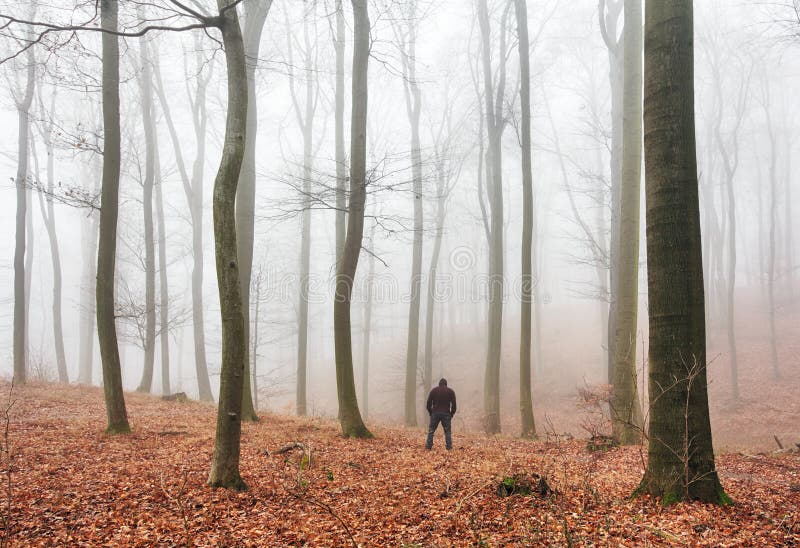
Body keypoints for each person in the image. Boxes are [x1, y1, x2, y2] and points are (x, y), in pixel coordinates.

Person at [425, 378, 456, 450]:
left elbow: (428, 403)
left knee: (431, 430)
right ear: (446, 384)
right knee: (447, 431)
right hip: (446, 413)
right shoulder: (450, 391)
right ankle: (449, 447)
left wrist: (431, 412)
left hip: (435, 413)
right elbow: (454, 405)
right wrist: (451, 414)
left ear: (439, 384)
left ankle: (428, 447)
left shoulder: (434, 390)